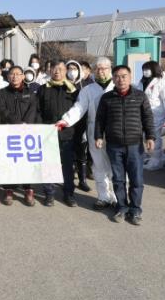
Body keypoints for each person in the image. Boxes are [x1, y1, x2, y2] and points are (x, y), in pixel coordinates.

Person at [95, 65, 156, 225]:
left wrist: (150, 136)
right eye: (117, 76)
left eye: (124, 76)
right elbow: (100, 119)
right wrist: (98, 136)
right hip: (114, 145)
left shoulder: (140, 96)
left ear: (130, 77)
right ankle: (122, 207)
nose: (120, 79)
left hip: (135, 145)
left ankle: (135, 210)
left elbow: (148, 117)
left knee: (136, 180)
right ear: (113, 79)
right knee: (118, 179)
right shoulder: (107, 98)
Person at [57, 57, 116, 210]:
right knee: (98, 165)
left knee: (116, 166)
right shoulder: (88, 90)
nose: (101, 71)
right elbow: (79, 108)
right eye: (98, 68)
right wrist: (65, 120)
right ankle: (103, 197)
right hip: (94, 132)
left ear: (110, 69)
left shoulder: (117, 86)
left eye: (104, 68)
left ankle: (117, 197)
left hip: (115, 132)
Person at [0, 66, 41, 206]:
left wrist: (25, 124)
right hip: (8, 132)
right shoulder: (2, 93)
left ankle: (28, 190)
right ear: (8, 76)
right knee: (9, 162)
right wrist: (18, 123)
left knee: (26, 162)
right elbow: (2, 110)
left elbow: (33, 110)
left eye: (17, 74)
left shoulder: (30, 93)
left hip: (26, 132)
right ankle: (8, 190)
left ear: (23, 76)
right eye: (12, 74)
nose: (14, 76)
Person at [37, 61, 79, 207]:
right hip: (48, 133)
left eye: (60, 69)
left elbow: (78, 111)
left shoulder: (73, 90)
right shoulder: (43, 89)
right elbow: (38, 110)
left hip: (67, 134)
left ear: (65, 71)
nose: (57, 71)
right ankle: (49, 194)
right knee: (48, 165)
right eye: (54, 69)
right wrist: (43, 128)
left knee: (67, 166)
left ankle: (69, 194)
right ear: (50, 71)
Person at [136, 61, 165, 171]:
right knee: (145, 137)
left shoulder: (164, 83)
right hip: (143, 115)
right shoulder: (141, 82)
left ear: (154, 69)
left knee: (154, 138)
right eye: (143, 69)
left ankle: (156, 161)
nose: (145, 71)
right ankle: (153, 156)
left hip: (157, 115)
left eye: (147, 69)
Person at [66, 60, 91, 192]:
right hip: (67, 123)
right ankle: (68, 180)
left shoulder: (86, 86)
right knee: (68, 154)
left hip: (82, 123)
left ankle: (83, 180)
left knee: (82, 152)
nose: (72, 71)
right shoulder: (63, 84)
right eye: (69, 68)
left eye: (75, 68)